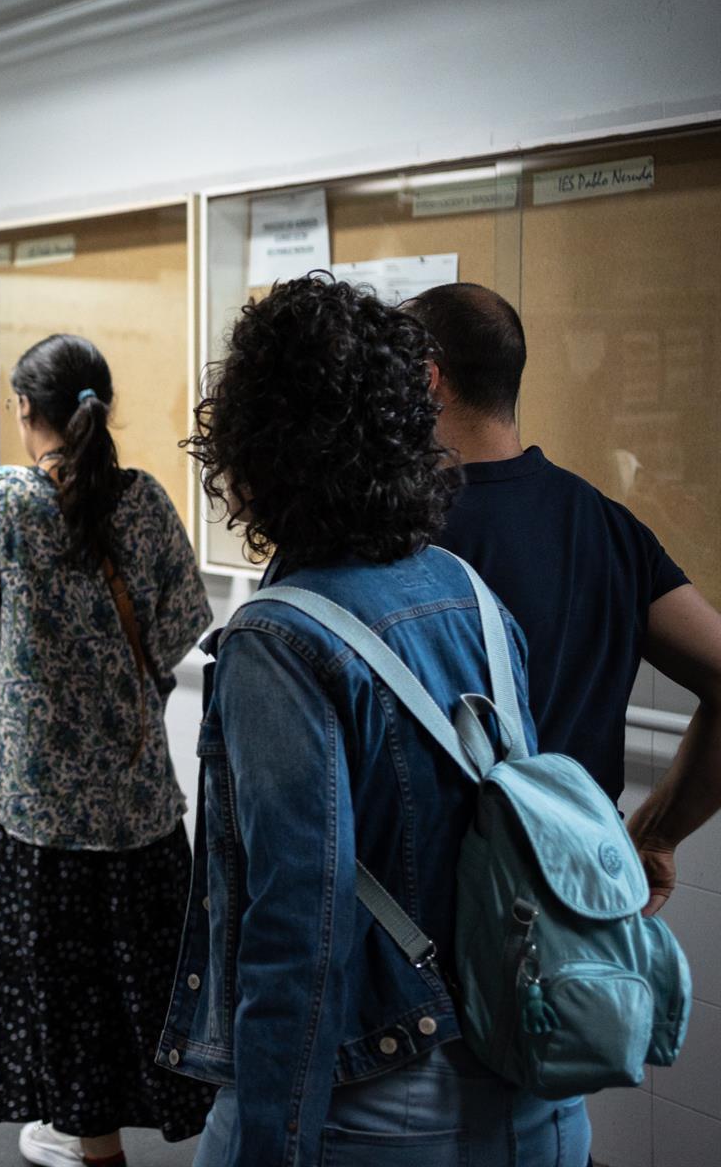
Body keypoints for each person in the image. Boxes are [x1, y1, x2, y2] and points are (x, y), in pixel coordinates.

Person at [161, 274, 588, 1165]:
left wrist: (272, 1145)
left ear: (256, 448)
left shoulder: (280, 639)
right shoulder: (469, 592)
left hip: (381, 1104)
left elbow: (300, 927)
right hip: (531, 1086)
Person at [0, 334, 214, 1167]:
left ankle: (91, 1144)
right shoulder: (146, 498)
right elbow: (182, 625)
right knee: (142, 980)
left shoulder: (2, 502)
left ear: (25, 409)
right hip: (138, 803)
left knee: (60, 986)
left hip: (37, 809)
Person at [412, 282, 721, 914]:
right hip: (582, 900)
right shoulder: (606, 524)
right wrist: (658, 833)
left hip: (448, 916)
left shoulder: (403, 536)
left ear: (426, 377)